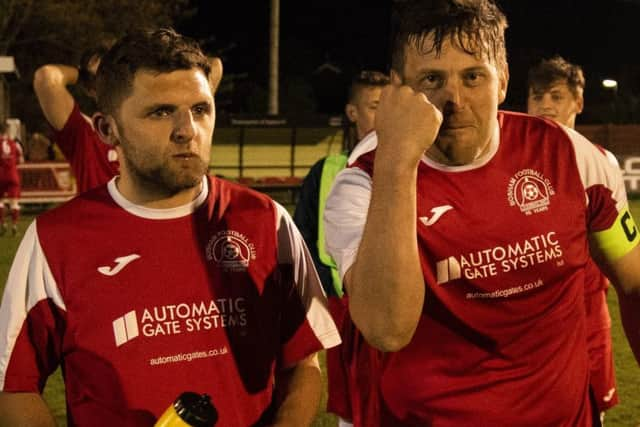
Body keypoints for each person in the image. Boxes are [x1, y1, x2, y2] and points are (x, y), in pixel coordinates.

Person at [0, 28, 340, 426]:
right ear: (107, 130)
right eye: (160, 112)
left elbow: (302, 363)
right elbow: (15, 386)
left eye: (200, 109)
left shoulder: (265, 221)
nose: (187, 129)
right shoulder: (53, 240)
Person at [323, 0, 640, 426]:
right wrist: (398, 162)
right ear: (399, 90)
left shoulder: (572, 157)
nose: (453, 98)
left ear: (503, 80)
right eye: (432, 79)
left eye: (473, 76)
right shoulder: (364, 180)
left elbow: (635, 281)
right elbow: (386, 327)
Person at [293, 70, 389, 427]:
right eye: (375, 106)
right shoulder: (328, 169)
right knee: (352, 405)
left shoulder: (410, 165)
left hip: (392, 300)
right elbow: (303, 237)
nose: (383, 116)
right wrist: (323, 298)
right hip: (343, 305)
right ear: (353, 112)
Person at [527, 55, 619, 424]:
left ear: (578, 103)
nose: (546, 105)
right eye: (537, 96)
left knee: (588, 410)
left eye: (556, 96)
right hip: (528, 321)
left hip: (585, 315)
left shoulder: (601, 163)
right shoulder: (504, 164)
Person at [33, 41, 121, 193]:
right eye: (99, 77)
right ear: (89, 89)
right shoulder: (85, 133)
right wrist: (81, 76)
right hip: (97, 216)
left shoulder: (155, 126)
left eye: (115, 73)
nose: (108, 83)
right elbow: (46, 78)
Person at [0, 121, 24, 236]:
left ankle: (2, 224)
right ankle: (14, 225)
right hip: (12, 174)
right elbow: (21, 160)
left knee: (0, 202)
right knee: (14, 203)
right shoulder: (15, 144)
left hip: (0, 174)